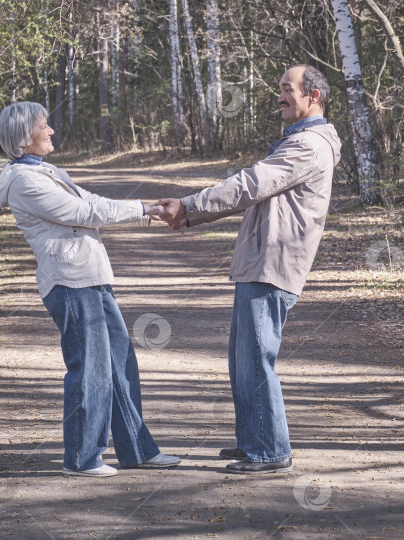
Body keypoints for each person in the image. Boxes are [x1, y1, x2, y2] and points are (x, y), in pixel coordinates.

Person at [156, 65, 341, 474]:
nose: (279, 96)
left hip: (273, 264)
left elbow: (248, 184)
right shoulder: (297, 141)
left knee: (256, 359)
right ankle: (254, 440)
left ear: (313, 96)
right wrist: (190, 217)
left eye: (286, 89)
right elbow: (249, 195)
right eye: (279, 88)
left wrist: (189, 205)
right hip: (259, 263)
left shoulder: (308, 145)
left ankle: (270, 451)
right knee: (244, 359)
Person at [0, 101, 180, 477]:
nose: (50, 132)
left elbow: (93, 202)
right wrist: (145, 209)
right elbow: (83, 214)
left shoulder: (43, 171)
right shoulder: (24, 181)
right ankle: (82, 458)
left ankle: (136, 450)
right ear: (22, 137)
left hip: (90, 277)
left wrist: (146, 210)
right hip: (69, 281)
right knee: (90, 369)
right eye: (43, 127)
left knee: (118, 363)